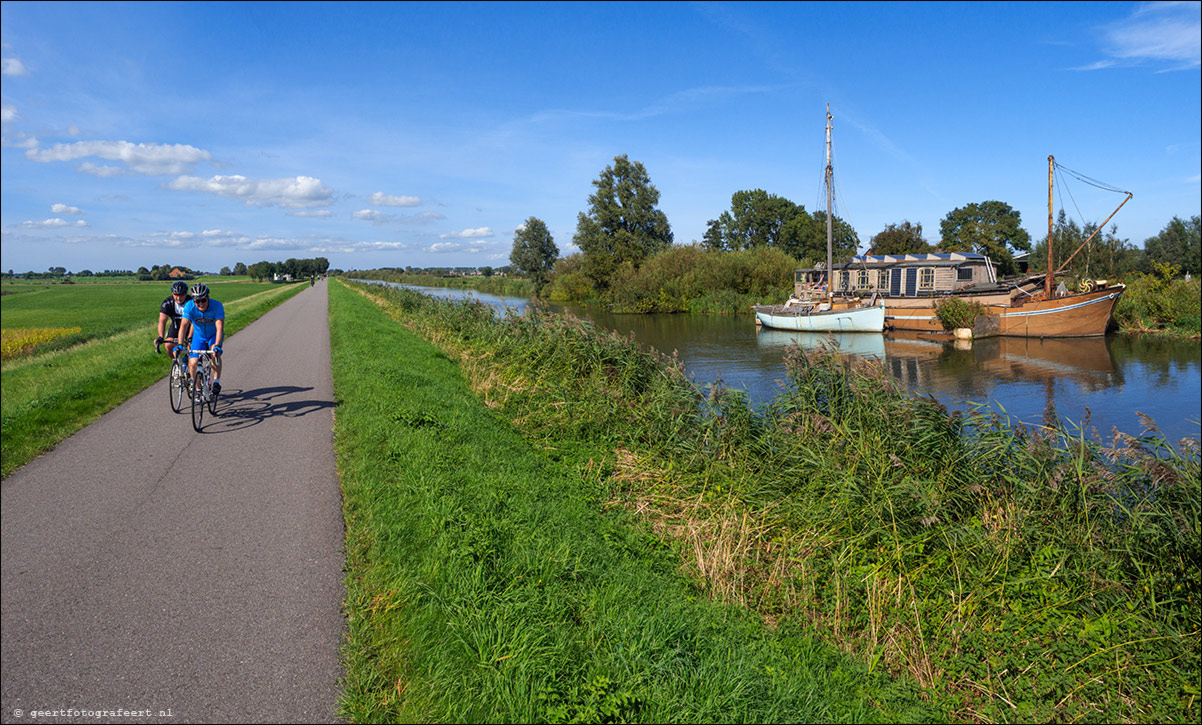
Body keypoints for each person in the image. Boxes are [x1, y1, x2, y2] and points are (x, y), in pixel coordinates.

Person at [177, 283, 226, 395]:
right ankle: (198, 389)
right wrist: (180, 344)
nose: (200, 304)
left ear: (208, 297)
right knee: (193, 362)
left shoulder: (217, 306)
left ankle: (216, 382)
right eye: (197, 301)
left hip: (214, 335)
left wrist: (217, 345)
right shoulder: (189, 306)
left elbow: (219, 328)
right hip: (198, 337)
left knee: (215, 354)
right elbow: (184, 326)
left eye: (203, 300)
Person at [155, 281, 191, 358]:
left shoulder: (191, 301)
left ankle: (190, 361)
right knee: (168, 345)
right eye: (176, 295)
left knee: (191, 347)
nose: (179, 298)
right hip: (176, 327)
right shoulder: (167, 302)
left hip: (190, 327)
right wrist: (160, 337)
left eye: (181, 295)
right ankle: (175, 363)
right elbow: (162, 321)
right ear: (172, 294)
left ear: (186, 294)